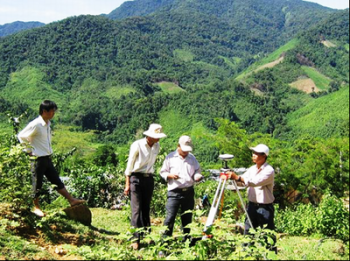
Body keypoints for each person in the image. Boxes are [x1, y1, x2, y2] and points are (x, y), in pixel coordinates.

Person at [17, 100, 85, 218]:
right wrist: (28, 151)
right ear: (44, 111)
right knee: (37, 183)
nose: (53, 113)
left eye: (54, 111)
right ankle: (36, 207)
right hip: (38, 158)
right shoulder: (36, 124)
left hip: (47, 158)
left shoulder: (47, 124)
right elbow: (21, 136)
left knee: (56, 180)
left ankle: (71, 200)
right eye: (52, 111)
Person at [221, 144, 276, 245]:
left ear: (264, 156)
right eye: (253, 153)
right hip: (251, 207)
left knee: (267, 236)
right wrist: (231, 178)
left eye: (256, 153)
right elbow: (242, 181)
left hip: (265, 208)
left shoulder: (269, 170)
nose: (253, 155)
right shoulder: (252, 169)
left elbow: (254, 182)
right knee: (248, 234)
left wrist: (237, 177)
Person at [124, 123, 167, 250]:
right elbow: (130, 165)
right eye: (156, 136)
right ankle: (135, 239)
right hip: (135, 178)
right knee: (136, 209)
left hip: (148, 179)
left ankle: (147, 236)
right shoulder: (137, 145)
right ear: (149, 136)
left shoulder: (157, 146)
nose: (158, 139)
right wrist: (127, 184)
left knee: (146, 208)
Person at [160, 135, 203, 241]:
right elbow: (162, 172)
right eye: (184, 150)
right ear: (178, 146)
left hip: (188, 191)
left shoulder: (192, 158)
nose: (185, 152)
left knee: (187, 217)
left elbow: (197, 170)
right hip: (174, 191)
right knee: (170, 217)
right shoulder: (170, 157)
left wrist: (197, 176)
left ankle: (187, 240)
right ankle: (165, 241)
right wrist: (169, 175)